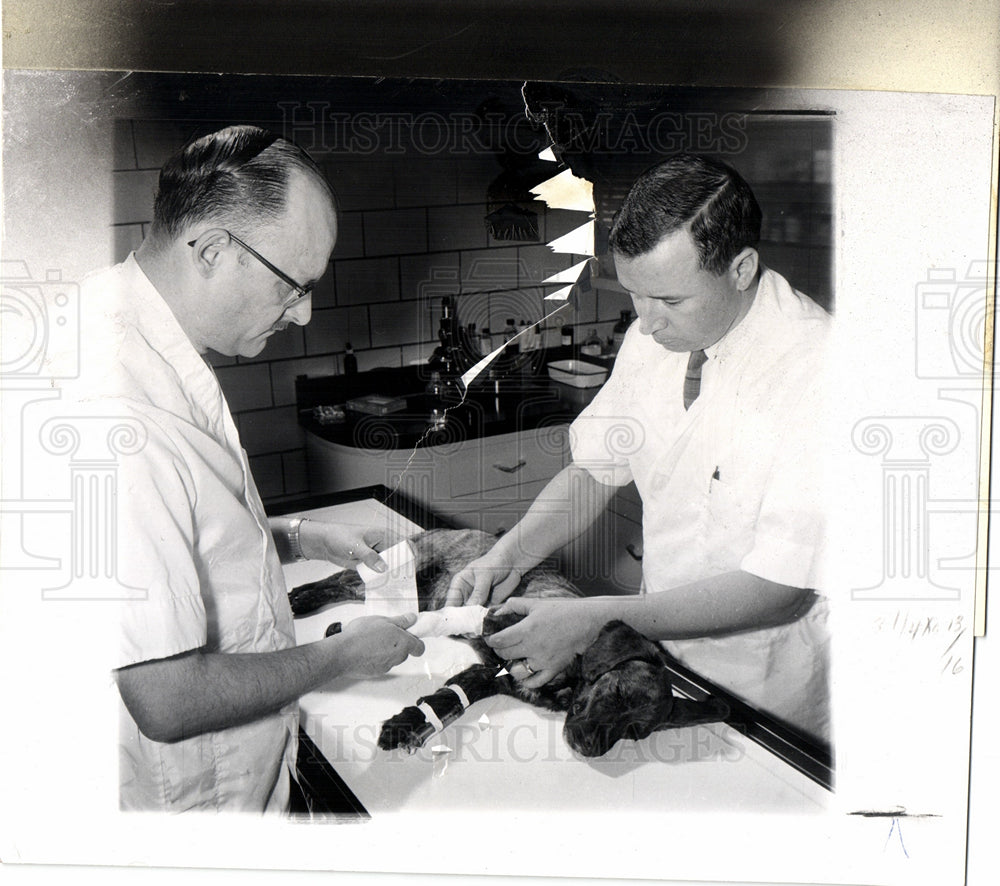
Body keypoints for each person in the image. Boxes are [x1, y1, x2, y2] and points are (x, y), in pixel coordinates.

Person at [71, 126, 424, 813]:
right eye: (294, 286)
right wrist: (344, 655)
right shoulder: (120, 411)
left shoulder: (129, 324)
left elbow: (168, 526)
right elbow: (167, 700)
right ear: (210, 249)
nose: (306, 313)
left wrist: (292, 535)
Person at [447, 154, 831, 742]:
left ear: (741, 268)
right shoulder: (653, 339)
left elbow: (778, 590)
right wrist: (511, 555)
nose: (646, 323)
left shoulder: (820, 369)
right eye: (635, 295)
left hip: (768, 691)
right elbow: (596, 470)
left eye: (670, 301)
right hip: (661, 657)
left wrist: (593, 618)